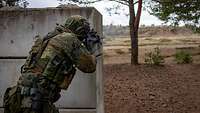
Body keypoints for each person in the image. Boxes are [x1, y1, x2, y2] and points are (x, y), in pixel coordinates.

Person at [3, 15, 97, 113]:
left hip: (16, 97)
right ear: (79, 29)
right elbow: (89, 66)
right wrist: (91, 49)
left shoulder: (49, 37)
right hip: (35, 101)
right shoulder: (69, 38)